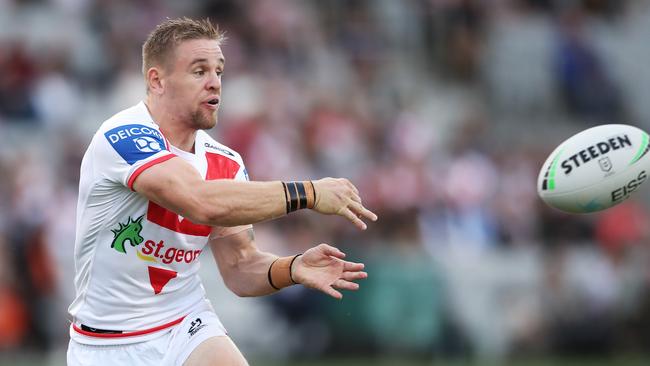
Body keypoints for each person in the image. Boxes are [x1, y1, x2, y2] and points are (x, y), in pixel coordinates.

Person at [66, 17, 377, 366]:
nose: (215, 83)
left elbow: (240, 267)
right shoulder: (122, 136)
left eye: (219, 71)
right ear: (157, 80)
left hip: (185, 323)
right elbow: (201, 202)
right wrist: (309, 193)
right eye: (199, 72)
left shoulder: (226, 161)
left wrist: (293, 268)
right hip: (106, 343)